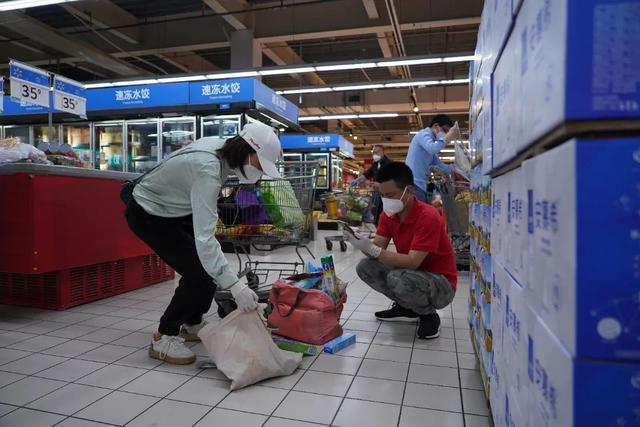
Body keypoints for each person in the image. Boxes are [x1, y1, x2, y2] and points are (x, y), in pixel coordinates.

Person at [123, 122, 282, 364]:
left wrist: (226, 277)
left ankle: (193, 322)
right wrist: (236, 287)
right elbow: (205, 239)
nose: (259, 172)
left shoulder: (219, 150)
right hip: (149, 213)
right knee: (198, 273)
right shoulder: (208, 169)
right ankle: (164, 336)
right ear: (246, 151)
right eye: (259, 164)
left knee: (205, 269)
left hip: (173, 208)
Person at [344, 162, 457, 339]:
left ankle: (428, 315)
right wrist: (359, 243)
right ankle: (407, 307)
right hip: (413, 275)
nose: (386, 201)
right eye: (382, 195)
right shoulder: (388, 216)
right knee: (365, 267)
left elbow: (413, 262)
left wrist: (373, 250)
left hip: (441, 284)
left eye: (390, 195)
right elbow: (378, 247)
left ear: (409, 190)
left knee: (396, 278)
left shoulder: (428, 216)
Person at [405, 114, 461, 202]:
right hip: (413, 184)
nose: (446, 134)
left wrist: (457, 169)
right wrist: (448, 137)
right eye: (445, 131)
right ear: (436, 126)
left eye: (447, 132)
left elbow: (440, 165)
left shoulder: (430, 147)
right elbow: (432, 148)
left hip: (420, 185)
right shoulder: (423, 134)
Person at [351, 145, 392, 224]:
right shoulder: (375, 164)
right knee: (375, 216)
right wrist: (357, 180)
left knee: (384, 217)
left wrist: (380, 185)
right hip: (377, 195)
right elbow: (366, 175)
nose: (374, 154)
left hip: (386, 196)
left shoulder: (389, 164)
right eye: (373, 153)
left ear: (382, 152)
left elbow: (393, 182)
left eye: (376, 152)